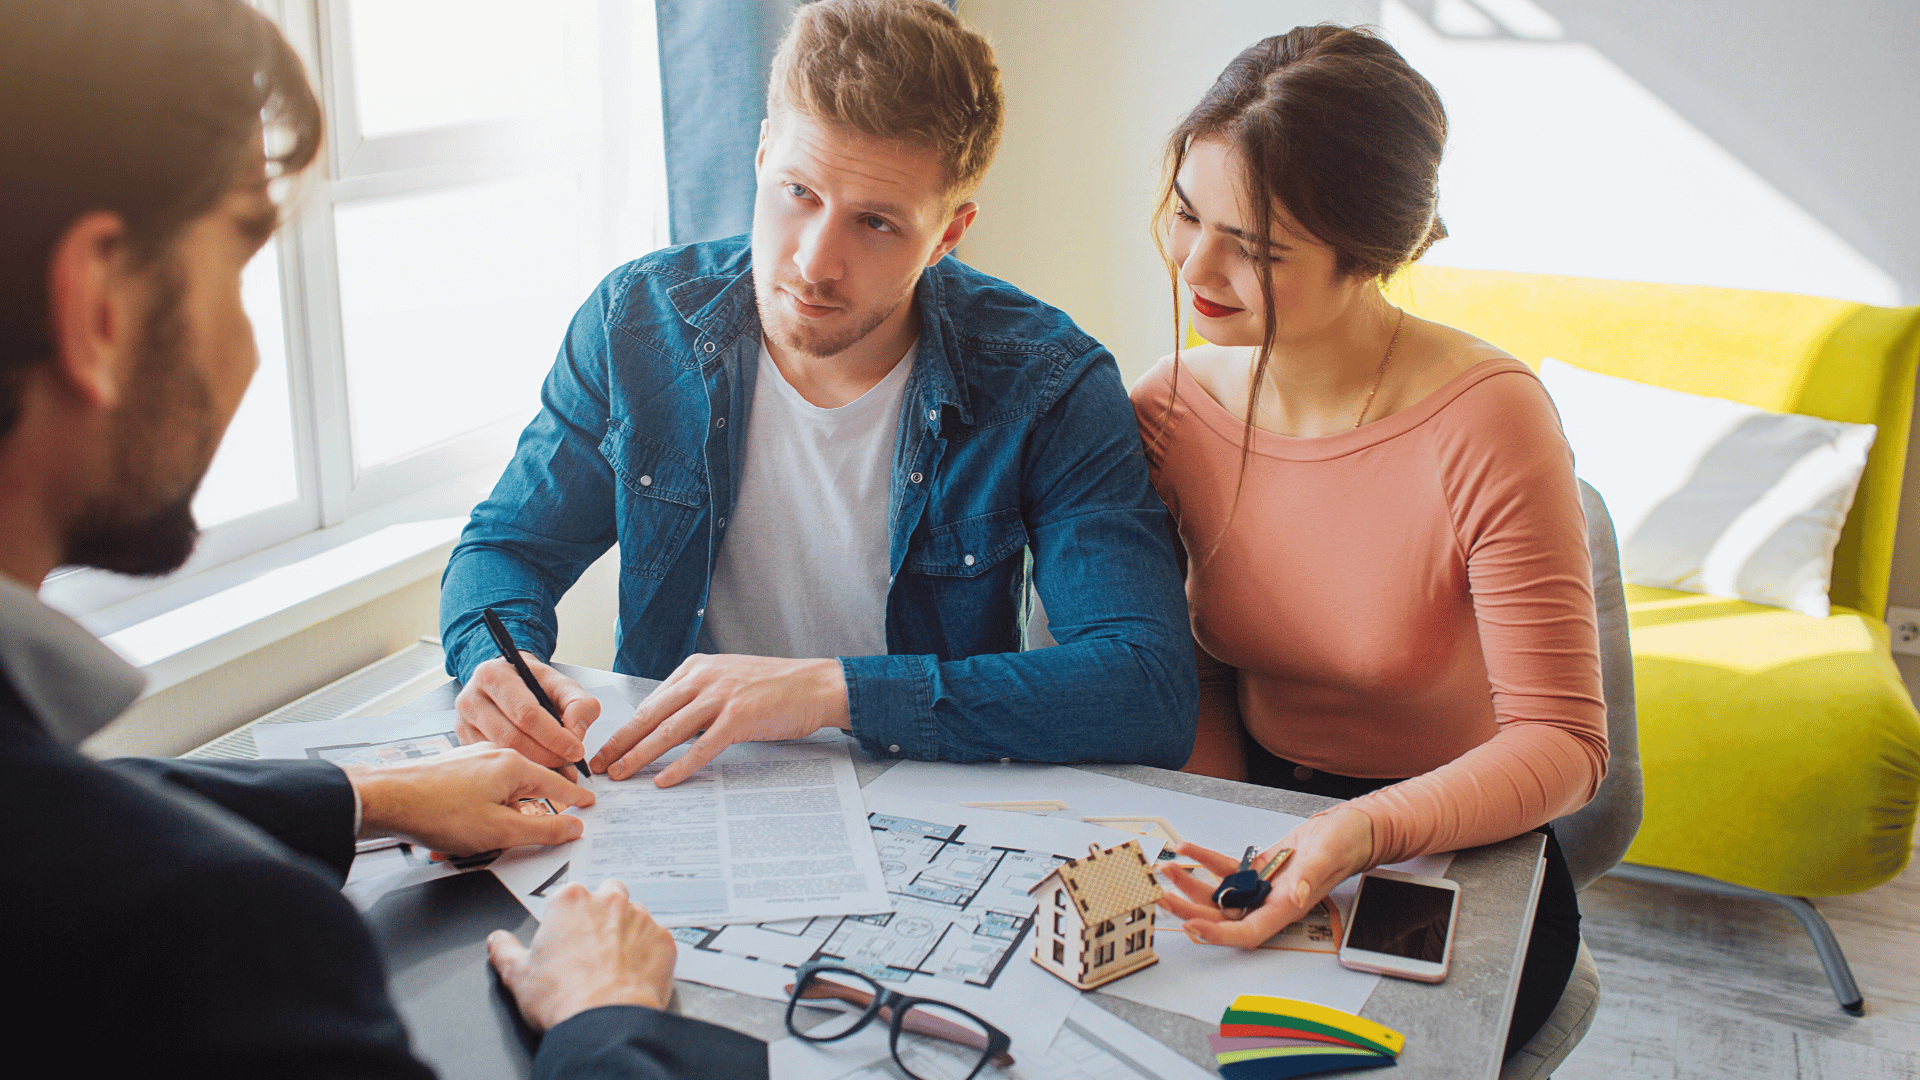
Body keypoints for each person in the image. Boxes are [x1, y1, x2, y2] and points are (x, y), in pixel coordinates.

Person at [0, 2, 762, 1075]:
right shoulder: (227, 941)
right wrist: (606, 1021)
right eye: (240, 262)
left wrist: (371, 798)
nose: (253, 354)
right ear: (97, 311)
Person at [442, 0, 1196, 788]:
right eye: (798, 191)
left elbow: (1147, 689)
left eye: (874, 223)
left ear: (947, 233)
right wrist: (501, 663)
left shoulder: (1046, 379)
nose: (813, 262)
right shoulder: (637, 321)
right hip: (675, 790)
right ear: (763, 153)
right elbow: (508, 548)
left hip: (928, 795)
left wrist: (828, 691)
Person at [1130, 27, 1608, 1059]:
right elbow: (1202, 661)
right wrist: (1229, 820)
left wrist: (1353, 835)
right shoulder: (1167, 413)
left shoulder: (1489, 419)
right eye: (1185, 213)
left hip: (1458, 840)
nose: (1197, 267)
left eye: (1254, 249)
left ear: (1372, 256)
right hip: (1260, 808)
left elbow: (1566, 747)